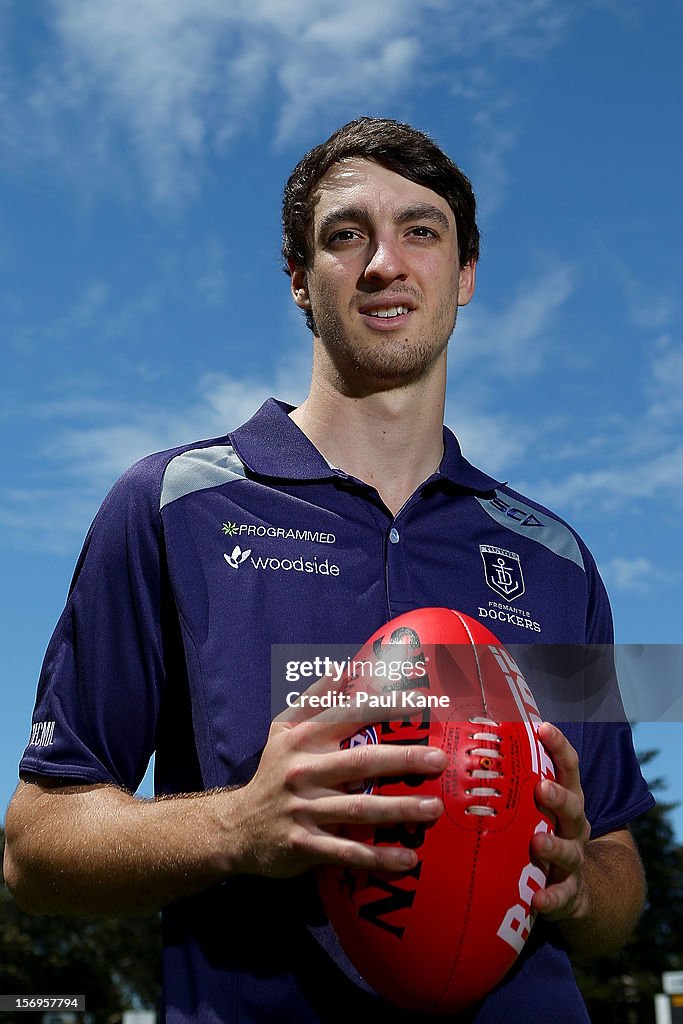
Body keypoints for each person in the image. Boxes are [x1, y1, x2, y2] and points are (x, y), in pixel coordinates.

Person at [4, 117, 653, 1023]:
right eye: (346, 234)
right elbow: (34, 848)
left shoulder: (553, 558)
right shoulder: (171, 506)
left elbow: (619, 868)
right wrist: (236, 825)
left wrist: (580, 885)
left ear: (463, 275)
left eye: (421, 231)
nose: (385, 261)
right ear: (301, 283)